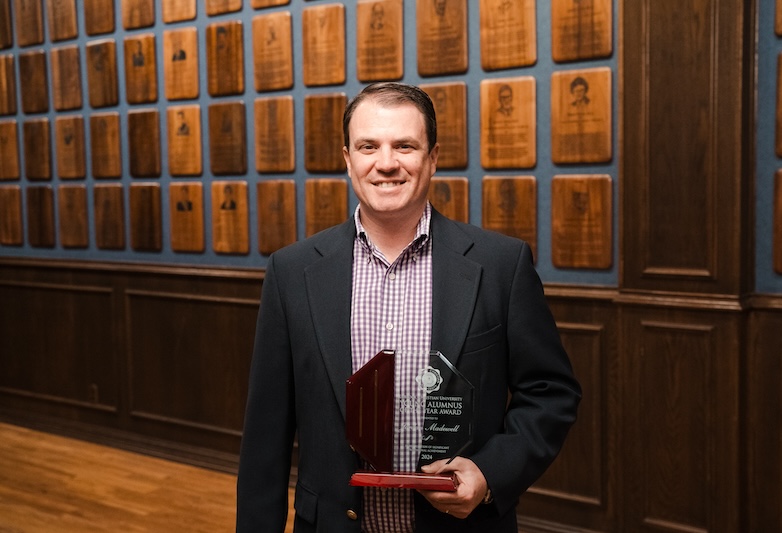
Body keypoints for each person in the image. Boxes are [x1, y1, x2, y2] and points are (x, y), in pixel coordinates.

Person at [236, 82, 581, 533]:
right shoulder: (292, 272)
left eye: (404, 145)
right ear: (347, 159)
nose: (386, 163)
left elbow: (551, 393)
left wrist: (489, 473)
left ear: (432, 158)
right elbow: (266, 437)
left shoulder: (500, 265)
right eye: (368, 146)